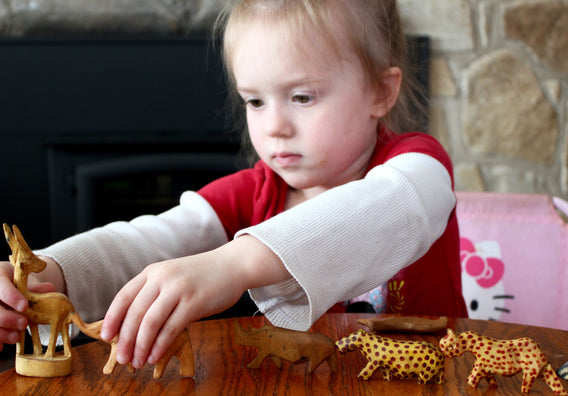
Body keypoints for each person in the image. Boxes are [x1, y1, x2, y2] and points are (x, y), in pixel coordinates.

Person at [0, 0, 466, 370]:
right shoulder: (254, 191)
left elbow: (387, 207)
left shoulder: (418, 167)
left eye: (303, 97)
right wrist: (47, 273)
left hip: (438, 392)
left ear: (381, 92)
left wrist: (233, 264)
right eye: (255, 101)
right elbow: (153, 238)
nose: (275, 127)